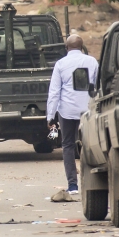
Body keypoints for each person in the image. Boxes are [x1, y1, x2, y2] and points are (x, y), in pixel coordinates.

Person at [46, 34, 99, 195]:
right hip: (88, 111)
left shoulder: (61, 64)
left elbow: (54, 92)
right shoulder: (92, 62)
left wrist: (50, 116)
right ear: (82, 47)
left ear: (66, 47)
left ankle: (73, 185)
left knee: (68, 145)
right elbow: (98, 86)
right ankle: (92, 183)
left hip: (67, 111)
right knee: (90, 146)